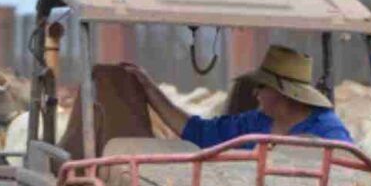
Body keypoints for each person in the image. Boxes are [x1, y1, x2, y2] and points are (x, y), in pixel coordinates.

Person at [132, 45, 353, 148]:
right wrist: (149, 89)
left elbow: (352, 170)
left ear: (284, 94)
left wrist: (302, 147)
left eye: (261, 86)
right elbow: (196, 131)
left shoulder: (327, 129)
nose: (255, 93)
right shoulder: (252, 123)